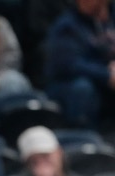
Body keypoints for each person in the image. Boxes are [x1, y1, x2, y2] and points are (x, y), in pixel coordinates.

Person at [44, 0, 115, 128]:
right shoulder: (67, 25)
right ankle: (84, 139)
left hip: (107, 78)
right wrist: (106, 74)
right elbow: (69, 64)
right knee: (83, 87)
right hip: (69, 84)